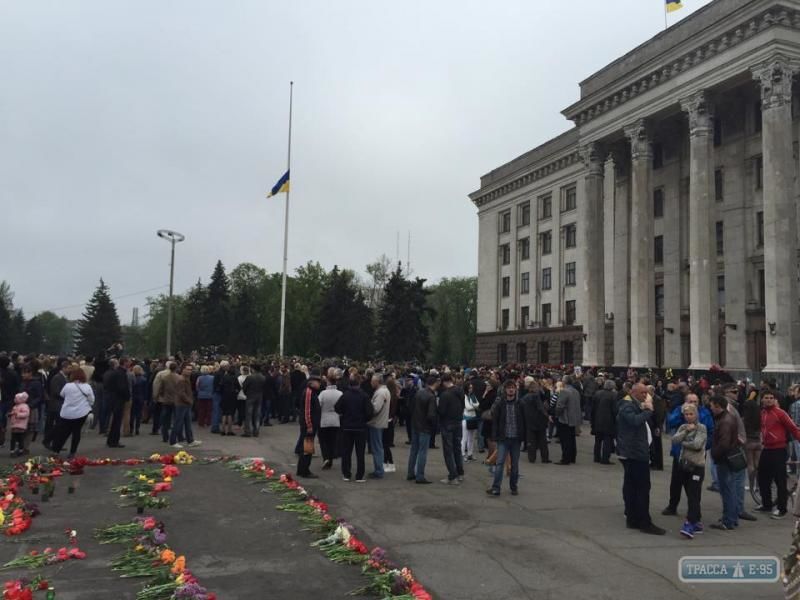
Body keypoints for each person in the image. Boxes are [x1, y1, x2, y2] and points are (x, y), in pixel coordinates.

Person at [617, 382, 665, 535]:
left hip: (635, 451)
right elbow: (635, 421)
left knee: (632, 486)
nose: (646, 396)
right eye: (643, 393)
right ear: (634, 392)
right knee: (642, 488)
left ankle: (632, 518)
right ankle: (644, 521)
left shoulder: (633, 403)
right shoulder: (627, 405)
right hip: (634, 453)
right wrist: (648, 410)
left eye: (647, 393)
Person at [663, 393, 713, 516]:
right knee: (676, 481)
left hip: (696, 455)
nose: (692, 404)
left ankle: (695, 511)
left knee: (694, 485)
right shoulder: (679, 411)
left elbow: (710, 432)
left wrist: (703, 447)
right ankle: (672, 505)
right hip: (679, 454)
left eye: (695, 401)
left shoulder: (704, 413)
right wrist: (681, 413)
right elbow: (670, 422)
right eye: (690, 401)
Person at [757, 389, 800, 519]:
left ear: (774, 400)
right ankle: (767, 504)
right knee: (762, 478)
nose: (769, 399)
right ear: (762, 400)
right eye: (766, 397)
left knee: (780, 480)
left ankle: (782, 509)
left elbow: (793, 428)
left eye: (771, 397)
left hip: (779, 450)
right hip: (767, 449)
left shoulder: (780, 413)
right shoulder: (762, 413)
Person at [671, 403, 707, 539]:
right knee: (691, 494)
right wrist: (685, 432)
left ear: (696, 414)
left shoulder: (701, 428)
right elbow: (674, 440)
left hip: (697, 465)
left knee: (694, 494)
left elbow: (697, 445)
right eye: (686, 414)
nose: (688, 417)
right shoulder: (683, 427)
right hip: (684, 465)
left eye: (691, 414)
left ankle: (690, 523)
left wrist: (684, 442)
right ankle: (696, 521)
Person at [486, 379, 525, 496]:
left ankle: (514, 487)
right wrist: (494, 436)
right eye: (509, 388)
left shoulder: (520, 403)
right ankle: (496, 488)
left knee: (515, 465)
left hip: (516, 439)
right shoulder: (500, 403)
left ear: (516, 389)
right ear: (505, 390)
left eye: (513, 387)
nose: (511, 389)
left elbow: (524, 421)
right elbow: (494, 419)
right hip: (503, 438)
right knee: (499, 463)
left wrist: (525, 437)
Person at [709, 395, 742, 530]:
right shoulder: (727, 417)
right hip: (729, 457)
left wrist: (713, 453)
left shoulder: (725, 421)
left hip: (725, 459)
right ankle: (732, 518)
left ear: (717, 405)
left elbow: (724, 444)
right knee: (731, 489)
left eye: (712, 405)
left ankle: (728, 520)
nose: (710, 408)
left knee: (727, 490)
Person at [335, 377, 373, 482]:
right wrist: (365, 419)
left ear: (349, 385)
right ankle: (359, 476)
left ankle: (346, 474)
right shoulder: (364, 396)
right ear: (359, 384)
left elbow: (337, 407)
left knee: (346, 452)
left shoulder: (345, 395)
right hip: (360, 428)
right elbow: (370, 412)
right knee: (360, 453)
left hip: (347, 427)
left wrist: (343, 415)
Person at [51, 368, 94, 458]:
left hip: (67, 413)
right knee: (76, 432)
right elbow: (92, 400)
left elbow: (62, 395)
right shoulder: (87, 387)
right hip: (81, 413)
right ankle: (72, 452)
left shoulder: (67, 386)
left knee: (63, 433)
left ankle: (56, 450)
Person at [407, 376, 439, 484]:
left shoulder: (419, 393)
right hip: (425, 427)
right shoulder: (431, 396)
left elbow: (411, 407)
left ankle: (410, 473)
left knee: (414, 450)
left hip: (415, 424)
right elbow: (431, 415)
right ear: (434, 383)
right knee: (422, 452)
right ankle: (420, 475)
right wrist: (434, 426)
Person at [438, 373, 465, 485]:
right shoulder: (460, 391)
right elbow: (463, 405)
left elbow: (441, 411)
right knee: (457, 449)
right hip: (458, 422)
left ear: (444, 382)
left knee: (448, 451)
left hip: (447, 424)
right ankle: (460, 473)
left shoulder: (445, 395)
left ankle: (452, 476)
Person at [296, 369, 322, 478]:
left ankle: (302, 469)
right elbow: (307, 410)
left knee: (307, 448)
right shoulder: (308, 392)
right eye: (317, 382)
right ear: (311, 382)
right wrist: (310, 425)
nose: (319, 384)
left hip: (309, 425)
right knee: (307, 449)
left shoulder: (311, 392)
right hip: (309, 426)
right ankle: (304, 470)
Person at [171, 364, 201, 449]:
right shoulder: (181, 379)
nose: (189, 371)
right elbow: (181, 393)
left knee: (188, 423)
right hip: (182, 404)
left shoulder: (185, 379)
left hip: (185, 404)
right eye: (187, 369)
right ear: (183, 370)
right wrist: (189, 400)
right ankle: (173, 441)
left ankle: (190, 440)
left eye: (191, 369)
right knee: (178, 422)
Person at [520, 377, 549, 463]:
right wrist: (547, 415)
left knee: (531, 441)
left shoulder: (525, 397)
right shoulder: (536, 396)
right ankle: (545, 458)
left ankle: (531, 458)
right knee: (542, 441)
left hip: (529, 421)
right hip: (539, 421)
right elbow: (540, 408)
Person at [367, 374, 390, 479]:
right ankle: (379, 469)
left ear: (377, 382)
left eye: (372, 381)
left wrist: (367, 407)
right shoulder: (384, 391)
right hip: (380, 422)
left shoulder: (380, 393)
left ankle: (379, 470)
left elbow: (375, 409)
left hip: (376, 423)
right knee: (378, 447)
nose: (371, 383)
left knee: (377, 448)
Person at [318, 374, 343, 469]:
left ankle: (326, 457)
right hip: (336, 419)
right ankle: (330, 459)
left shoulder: (323, 393)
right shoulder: (340, 393)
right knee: (332, 441)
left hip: (324, 419)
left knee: (323, 440)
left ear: (328, 382)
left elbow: (318, 405)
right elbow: (342, 406)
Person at [105, 358, 131, 448]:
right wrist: (127, 396)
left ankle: (111, 440)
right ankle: (114, 441)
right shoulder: (121, 373)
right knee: (117, 421)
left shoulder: (117, 372)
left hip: (114, 398)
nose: (130, 363)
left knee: (115, 421)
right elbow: (122, 387)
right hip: (118, 399)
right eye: (128, 361)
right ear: (125, 362)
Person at [555, 375, 581, 465]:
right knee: (571, 439)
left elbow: (559, 406)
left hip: (565, 419)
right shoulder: (576, 391)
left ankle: (565, 459)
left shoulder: (564, 391)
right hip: (574, 418)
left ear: (564, 382)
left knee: (565, 440)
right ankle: (572, 457)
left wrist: (556, 415)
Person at [44, 358, 69, 448]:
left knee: (58, 425)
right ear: (64, 368)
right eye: (68, 368)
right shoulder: (57, 377)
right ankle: (49, 441)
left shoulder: (62, 377)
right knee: (56, 425)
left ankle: (55, 443)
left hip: (59, 404)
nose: (69, 370)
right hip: (56, 404)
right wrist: (66, 396)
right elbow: (55, 391)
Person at [591, 379, 617, 464]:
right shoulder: (613, 395)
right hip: (609, 422)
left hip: (597, 420)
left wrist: (592, 420)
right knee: (607, 441)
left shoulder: (597, 393)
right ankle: (605, 459)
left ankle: (596, 457)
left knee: (598, 440)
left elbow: (593, 408)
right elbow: (614, 410)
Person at [20, 364, 43, 455]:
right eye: (22, 373)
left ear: (30, 373)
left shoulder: (36, 383)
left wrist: (31, 404)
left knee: (30, 429)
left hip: (32, 408)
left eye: (25, 373)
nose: (23, 375)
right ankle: (21, 446)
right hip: (21, 407)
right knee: (21, 428)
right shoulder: (22, 382)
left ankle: (26, 447)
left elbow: (39, 396)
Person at [242, 364, 266, 437]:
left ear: (253, 369)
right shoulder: (263, 377)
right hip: (259, 396)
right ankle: (256, 431)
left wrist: (246, 393)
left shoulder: (250, 377)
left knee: (248, 414)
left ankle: (248, 431)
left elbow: (244, 387)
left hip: (250, 396)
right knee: (257, 414)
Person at [462, 382, 480, 462]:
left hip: (473, 418)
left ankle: (470, 454)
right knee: (464, 438)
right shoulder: (464, 396)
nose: (471, 389)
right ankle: (462, 454)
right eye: (469, 387)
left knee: (471, 438)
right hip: (466, 419)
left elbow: (478, 404)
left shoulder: (473, 396)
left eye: (472, 387)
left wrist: (473, 406)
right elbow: (468, 407)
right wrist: (474, 406)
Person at [220, 364, 240, 436]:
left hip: (225, 395)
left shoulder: (224, 377)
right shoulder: (235, 378)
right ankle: (229, 430)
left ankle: (222, 430)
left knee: (224, 413)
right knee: (230, 413)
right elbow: (239, 387)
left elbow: (221, 386)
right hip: (232, 396)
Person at [8, 392, 30, 457]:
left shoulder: (25, 406)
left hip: (20, 425)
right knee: (13, 439)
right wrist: (11, 414)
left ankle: (20, 450)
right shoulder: (15, 406)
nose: (15, 399)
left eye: (16, 398)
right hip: (14, 424)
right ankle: (12, 450)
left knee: (20, 438)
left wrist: (18, 414)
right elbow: (14, 413)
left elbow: (26, 414)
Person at [130, 365, 147, 436]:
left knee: (132, 414)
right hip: (140, 397)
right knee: (138, 414)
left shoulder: (131, 378)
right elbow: (145, 390)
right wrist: (146, 399)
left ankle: (131, 428)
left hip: (133, 397)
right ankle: (137, 428)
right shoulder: (144, 379)